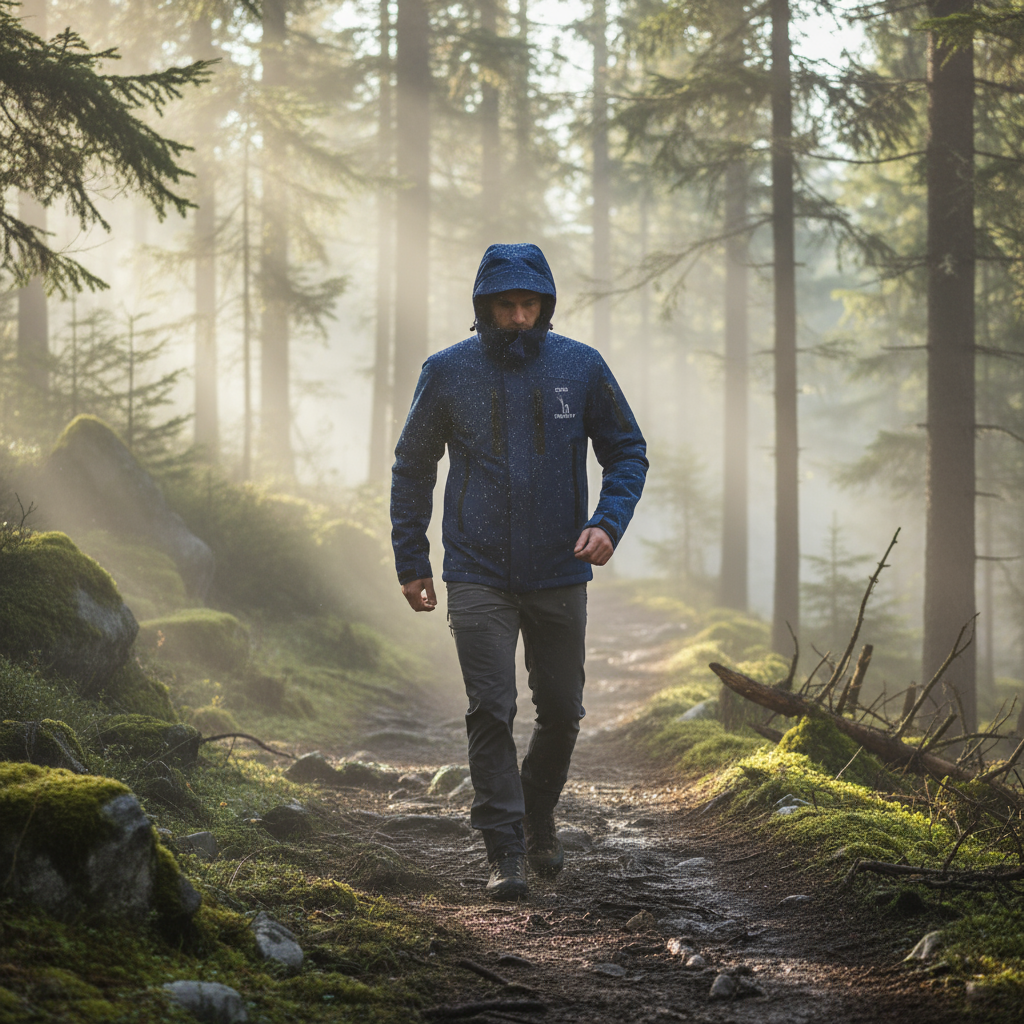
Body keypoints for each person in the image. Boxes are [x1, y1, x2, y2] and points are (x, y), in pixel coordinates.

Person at [391, 242, 647, 900]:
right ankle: (504, 851)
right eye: (504, 305)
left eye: (528, 304)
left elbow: (627, 452)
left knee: (562, 712)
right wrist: (412, 560)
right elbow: (413, 466)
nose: (517, 317)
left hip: (561, 569)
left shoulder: (580, 367)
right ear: (483, 307)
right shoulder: (447, 372)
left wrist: (607, 522)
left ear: (545, 304)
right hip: (475, 571)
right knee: (491, 708)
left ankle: (536, 817)